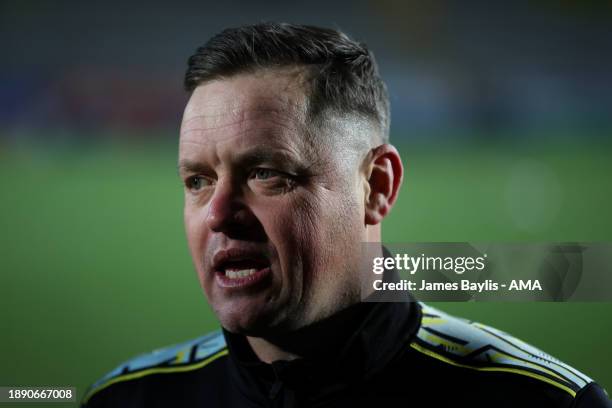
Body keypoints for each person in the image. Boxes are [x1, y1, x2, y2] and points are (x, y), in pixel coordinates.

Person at [82, 23, 611, 407]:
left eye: (267, 173)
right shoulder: (125, 400)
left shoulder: (544, 404)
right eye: (197, 181)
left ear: (377, 187)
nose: (217, 212)